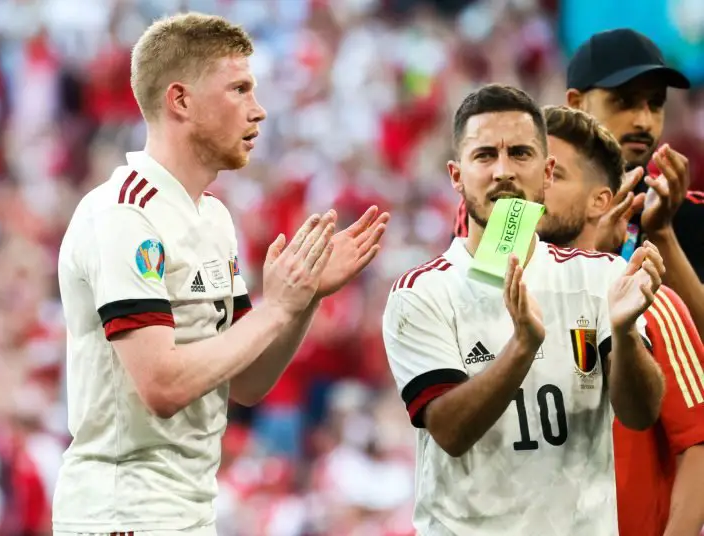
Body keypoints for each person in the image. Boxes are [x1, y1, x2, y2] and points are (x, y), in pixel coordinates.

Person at [53, 13, 388, 536]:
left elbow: (247, 383)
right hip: (122, 511)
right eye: (239, 89)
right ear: (181, 101)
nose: (259, 110)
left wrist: (304, 299)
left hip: (190, 508)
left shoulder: (212, 217)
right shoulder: (123, 215)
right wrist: (276, 308)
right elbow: (162, 386)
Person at [382, 83, 665, 536]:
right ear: (456, 175)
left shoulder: (602, 276)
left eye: (520, 153)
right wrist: (522, 347)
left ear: (547, 172)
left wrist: (626, 333)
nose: (503, 171)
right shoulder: (421, 292)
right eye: (484, 156)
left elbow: (640, 414)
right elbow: (450, 432)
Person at [539, 104, 704, 536]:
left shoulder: (653, 303)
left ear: (600, 201)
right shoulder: (514, 305)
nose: (534, 189)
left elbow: (699, 444)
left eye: (554, 176)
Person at [565, 28, 704, 335]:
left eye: (655, 103)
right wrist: (591, 251)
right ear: (576, 103)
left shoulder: (690, 214)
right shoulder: (523, 208)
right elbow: (483, 315)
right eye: (623, 101)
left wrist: (662, 232)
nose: (643, 121)